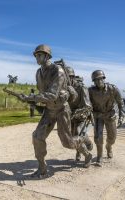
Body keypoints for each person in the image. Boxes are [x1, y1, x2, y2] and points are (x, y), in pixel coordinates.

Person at [21, 44, 92, 178]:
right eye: (36, 55)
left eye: (39, 55)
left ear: (47, 56)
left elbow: (52, 94)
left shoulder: (57, 70)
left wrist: (31, 98)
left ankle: (85, 150)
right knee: (37, 137)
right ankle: (42, 168)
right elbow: (42, 93)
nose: (37, 57)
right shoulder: (38, 72)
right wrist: (29, 99)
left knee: (67, 142)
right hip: (49, 110)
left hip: (61, 109)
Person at [88, 70, 125, 167]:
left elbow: (120, 103)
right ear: (94, 81)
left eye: (100, 79)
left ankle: (108, 147)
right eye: (96, 80)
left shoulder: (113, 89)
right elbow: (87, 104)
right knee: (98, 138)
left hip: (109, 115)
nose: (98, 81)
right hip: (98, 116)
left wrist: (121, 116)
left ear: (104, 79)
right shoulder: (90, 91)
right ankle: (99, 156)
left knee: (112, 138)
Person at [66, 67, 93, 161]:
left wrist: (77, 112)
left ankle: (88, 150)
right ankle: (78, 151)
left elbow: (87, 106)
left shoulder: (82, 87)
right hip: (70, 117)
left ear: (72, 77)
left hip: (82, 115)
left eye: (68, 77)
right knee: (72, 136)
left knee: (77, 134)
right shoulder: (64, 88)